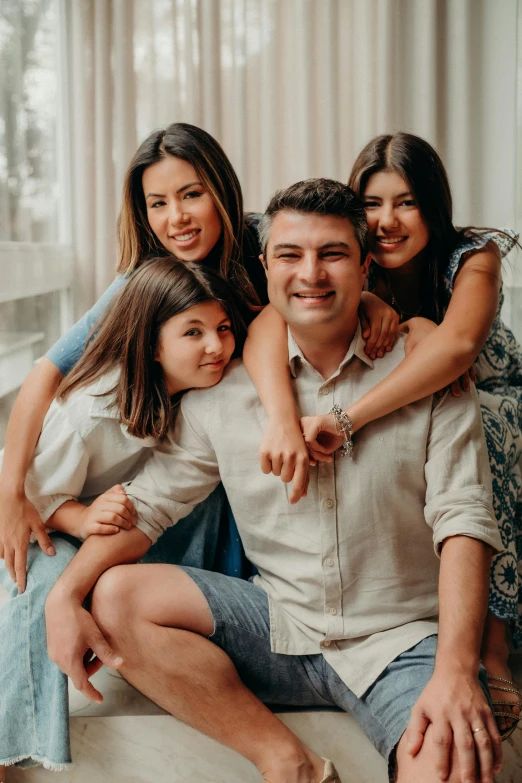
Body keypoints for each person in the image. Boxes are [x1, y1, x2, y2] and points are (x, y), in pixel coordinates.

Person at [45, 180, 503, 783]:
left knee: (456, 768)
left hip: (399, 640)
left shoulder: (431, 377)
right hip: (280, 621)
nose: (309, 273)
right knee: (116, 597)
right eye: (289, 255)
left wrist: (454, 671)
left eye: (332, 254)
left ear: (366, 264)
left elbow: (464, 521)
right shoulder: (225, 392)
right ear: (265, 267)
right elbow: (152, 503)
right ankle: (288, 763)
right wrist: (65, 594)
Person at [244, 133, 521, 737]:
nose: (388, 220)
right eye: (373, 203)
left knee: (478, 425)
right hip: (418, 391)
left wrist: (347, 420)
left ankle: (492, 650)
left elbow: (456, 349)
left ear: (434, 208)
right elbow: (272, 316)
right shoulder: (349, 269)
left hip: (488, 396)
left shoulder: (472, 256)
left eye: (407, 202)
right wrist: (281, 416)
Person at [0, 258, 245, 778]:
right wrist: (82, 518)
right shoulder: (94, 408)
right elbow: (35, 499)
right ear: (153, 345)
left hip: (118, 515)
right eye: (193, 332)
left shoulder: (201, 390)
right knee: (38, 588)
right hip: (44, 514)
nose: (216, 346)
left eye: (223, 329)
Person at [0, 121, 266, 596]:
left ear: (221, 191)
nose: (176, 218)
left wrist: (368, 303)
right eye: (158, 204)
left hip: (231, 445)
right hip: (164, 463)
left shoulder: (263, 244)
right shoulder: (140, 286)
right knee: (38, 580)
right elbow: (46, 374)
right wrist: (11, 491)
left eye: (191, 195)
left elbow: (320, 275)